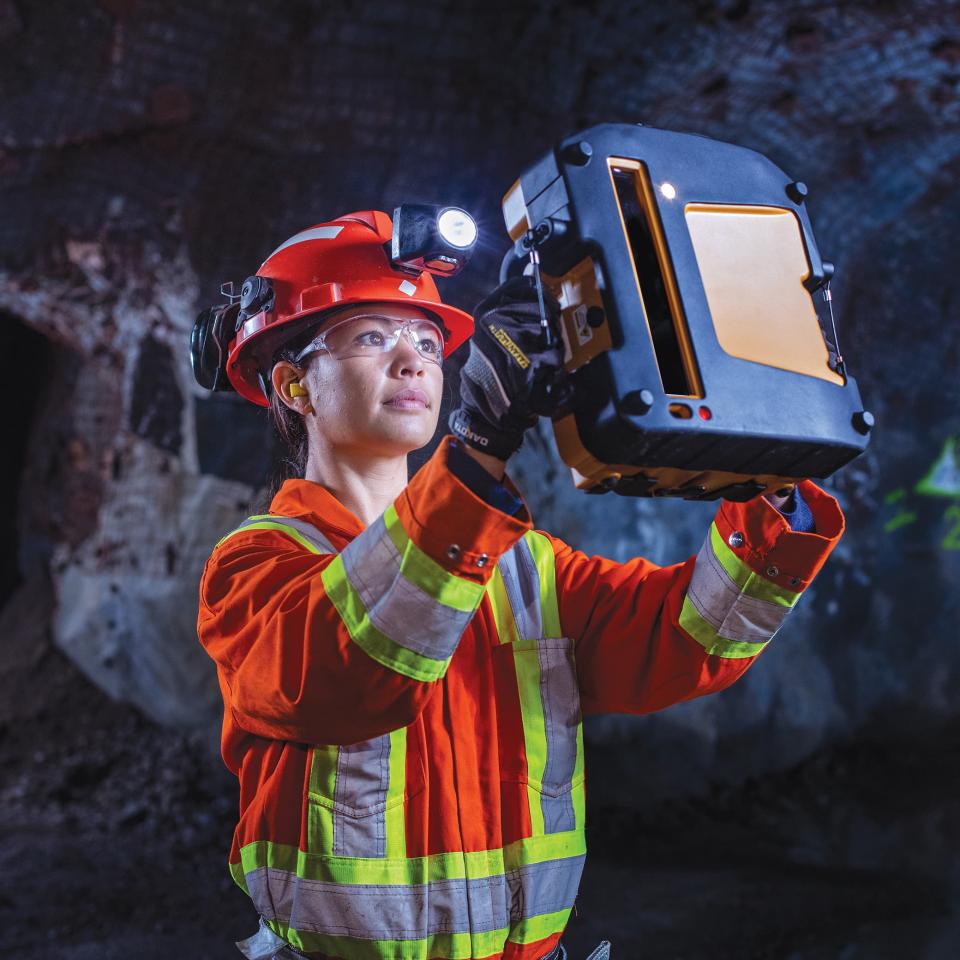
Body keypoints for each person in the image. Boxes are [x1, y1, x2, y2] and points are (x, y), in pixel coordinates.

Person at [196, 209, 844, 960]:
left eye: (429, 342)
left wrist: (776, 467)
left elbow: (687, 638)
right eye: (373, 337)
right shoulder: (257, 568)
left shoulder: (523, 564)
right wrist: (474, 455)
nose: (413, 361)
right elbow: (348, 673)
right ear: (294, 385)